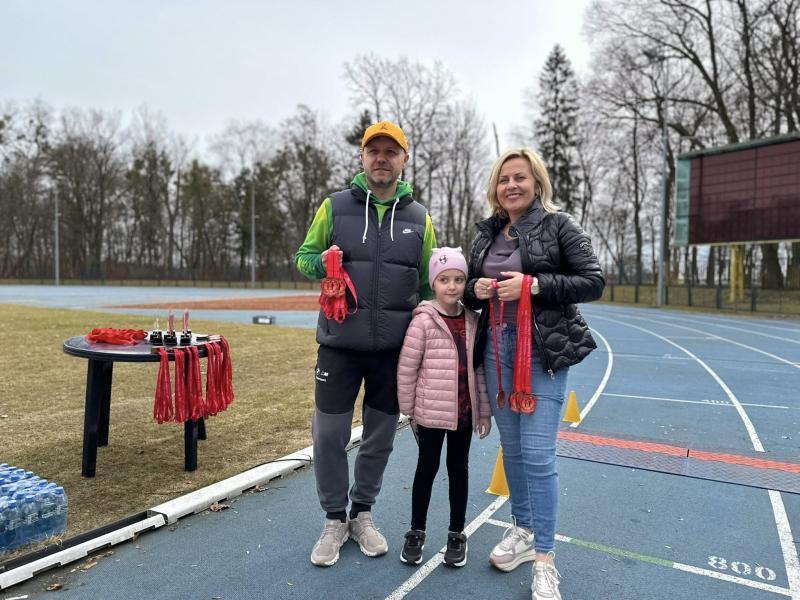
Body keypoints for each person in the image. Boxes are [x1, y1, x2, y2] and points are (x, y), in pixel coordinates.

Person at [295, 121, 437, 567]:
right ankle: (334, 519)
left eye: (391, 152)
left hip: (392, 353)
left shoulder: (420, 218)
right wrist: (324, 263)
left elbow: (428, 285)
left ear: (404, 159)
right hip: (338, 346)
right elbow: (303, 258)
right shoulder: (334, 206)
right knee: (329, 436)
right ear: (362, 157)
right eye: (374, 150)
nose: (381, 158)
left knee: (379, 440)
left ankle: (362, 514)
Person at [464, 149, 604, 599]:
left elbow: (593, 281)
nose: (511, 186)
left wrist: (535, 285)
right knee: (514, 451)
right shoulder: (486, 233)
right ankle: (523, 531)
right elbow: (467, 292)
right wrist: (475, 289)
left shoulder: (560, 226)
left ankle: (545, 559)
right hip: (496, 350)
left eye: (520, 177)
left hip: (541, 352)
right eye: (504, 179)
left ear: (537, 182)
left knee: (539, 456)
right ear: (495, 188)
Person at [396, 247, 492, 568]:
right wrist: (408, 407)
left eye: (459, 279)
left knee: (458, 471)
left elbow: (479, 370)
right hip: (431, 414)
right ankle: (416, 532)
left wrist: (483, 411)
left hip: (464, 414)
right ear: (433, 283)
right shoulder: (423, 322)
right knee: (426, 470)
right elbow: (408, 367)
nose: (452, 286)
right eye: (444, 279)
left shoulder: (473, 320)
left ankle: (456, 534)